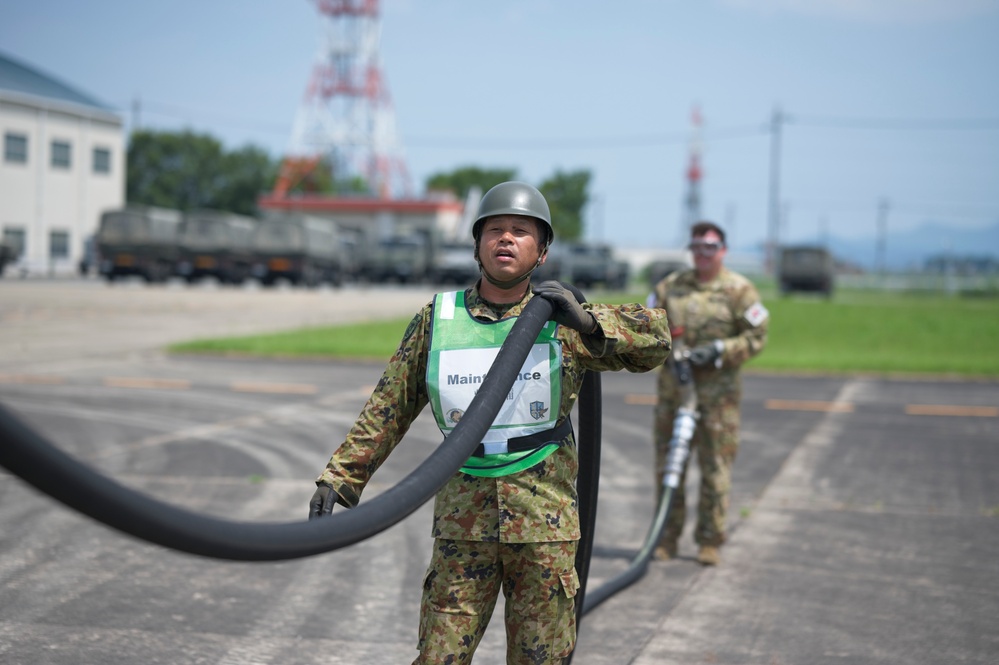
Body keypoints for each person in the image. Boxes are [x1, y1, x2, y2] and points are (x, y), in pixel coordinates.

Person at [309, 181, 671, 665]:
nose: (506, 239)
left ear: (541, 252)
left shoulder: (564, 320)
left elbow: (658, 342)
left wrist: (587, 321)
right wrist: (341, 478)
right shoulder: (438, 319)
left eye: (521, 232)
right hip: (463, 527)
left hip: (544, 529)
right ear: (477, 244)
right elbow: (387, 407)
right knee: (438, 658)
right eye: (494, 230)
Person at [648, 221, 768, 566]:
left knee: (716, 468)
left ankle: (710, 540)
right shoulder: (671, 287)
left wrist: (719, 351)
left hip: (719, 399)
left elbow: (756, 337)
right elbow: (648, 326)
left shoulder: (739, 290)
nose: (702, 253)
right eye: (697, 246)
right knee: (668, 468)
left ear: (723, 251)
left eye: (710, 247)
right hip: (675, 393)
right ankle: (666, 538)